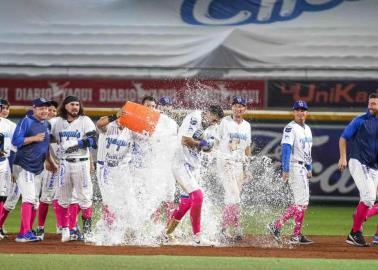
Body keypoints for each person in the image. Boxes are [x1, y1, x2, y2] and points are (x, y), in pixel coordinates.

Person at [164, 105, 224, 245]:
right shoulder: (195, 117)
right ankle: (197, 237)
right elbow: (185, 140)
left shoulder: (211, 127)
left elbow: (208, 149)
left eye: (216, 122)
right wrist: (203, 143)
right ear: (208, 113)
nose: (214, 123)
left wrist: (208, 147)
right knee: (198, 196)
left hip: (193, 166)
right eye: (214, 120)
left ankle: (167, 233)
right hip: (181, 163)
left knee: (186, 204)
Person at [11, 98, 58, 242]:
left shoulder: (46, 124)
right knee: (29, 198)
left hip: (38, 167)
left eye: (46, 108)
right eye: (41, 108)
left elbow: (44, 147)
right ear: (34, 109)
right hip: (23, 165)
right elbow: (16, 141)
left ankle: (24, 231)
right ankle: (24, 234)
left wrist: (51, 162)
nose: (44, 111)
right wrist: (33, 138)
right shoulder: (26, 121)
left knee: (35, 202)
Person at [51, 96, 97, 242]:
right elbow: (46, 137)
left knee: (84, 198)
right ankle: (65, 229)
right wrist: (48, 158)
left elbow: (92, 141)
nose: (75, 107)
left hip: (81, 162)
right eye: (72, 104)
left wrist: (75, 143)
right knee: (63, 198)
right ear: (65, 106)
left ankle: (88, 231)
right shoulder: (56, 122)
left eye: (77, 104)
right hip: (64, 163)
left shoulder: (85, 120)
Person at [268, 100, 313, 245]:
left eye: (303, 110)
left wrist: (310, 167)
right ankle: (280, 227)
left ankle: (291, 232)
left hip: (303, 167)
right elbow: (286, 148)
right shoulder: (290, 128)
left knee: (301, 203)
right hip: (294, 166)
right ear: (293, 112)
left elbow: (308, 151)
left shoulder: (307, 129)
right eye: (298, 110)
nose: (301, 112)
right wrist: (285, 169)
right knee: (302, 202)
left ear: (307, 112)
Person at [338, 93, 378, 247]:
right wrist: (343, 158)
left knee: (369, 199)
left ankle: (357, 226)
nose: (370, 106)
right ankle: (354, 232)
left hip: (373, 165)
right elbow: (343, 138)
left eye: (374, 104)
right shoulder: (360, 120)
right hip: (358, 161)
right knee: (369, 197)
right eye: (370, 103)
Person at [217, 96, 251, 241]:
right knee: (234, 196)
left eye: (241, 106)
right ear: (232, 108)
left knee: (233, 197)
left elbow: (247, 147)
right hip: (226, 162)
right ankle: (224, 229)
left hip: (239, 165)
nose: (238, 108)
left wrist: (247, 168)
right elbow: (216, 141)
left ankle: (234, 229)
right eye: (236, 105)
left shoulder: (247, 125)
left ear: (245, 108)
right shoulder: (225, 122)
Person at [95, 107, 131, 226]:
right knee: (109, 200)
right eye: (122, 116)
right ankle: (108, 227)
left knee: (124, 200)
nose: (124, 119)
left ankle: (117, 226)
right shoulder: (109, 124)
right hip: (104, 167)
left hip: (121, 169)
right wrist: (114, 116)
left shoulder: (131, 131)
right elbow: (99, 124)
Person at [151, 96, 179, 223]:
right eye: (163, 105)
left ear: (171, 107)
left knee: (170, 196)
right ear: (159, 106)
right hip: (156, 164)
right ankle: (154, 227)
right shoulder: (153, 120)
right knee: (156, 196)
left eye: (168, 105)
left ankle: (168, 227)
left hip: (169, 165)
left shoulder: (174, 124)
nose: (166, 107)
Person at [35, 101, 59, 240]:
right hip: (46, 167)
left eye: (54, 111)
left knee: (63, 197)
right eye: (49, 110)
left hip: (61, 166)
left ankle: (62, 225)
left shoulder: (59, 126)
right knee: (44, 197)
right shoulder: (40, 127)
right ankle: (40, 227)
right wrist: (46, 161)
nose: (52, 113)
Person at [0, 99, 16, 239]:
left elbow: (14, 149)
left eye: (7, 108)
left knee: (2, 195)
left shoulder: (11, 125)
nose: (5, 110)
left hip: (4, 162)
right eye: (2, 107)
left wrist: (13, 168)